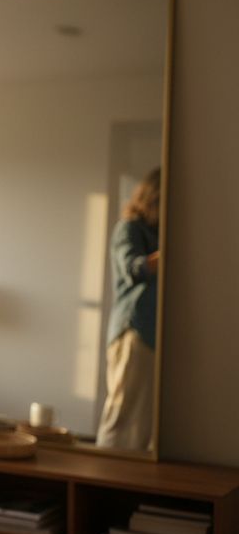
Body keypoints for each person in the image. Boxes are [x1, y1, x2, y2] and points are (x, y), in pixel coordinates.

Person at [96, 167, 161, 451]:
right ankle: (105, 482)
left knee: (144, 423)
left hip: (151, 334)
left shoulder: (156, 232)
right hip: (133, 330)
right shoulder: (129, 228)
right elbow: (133, 268)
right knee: (122, 416)